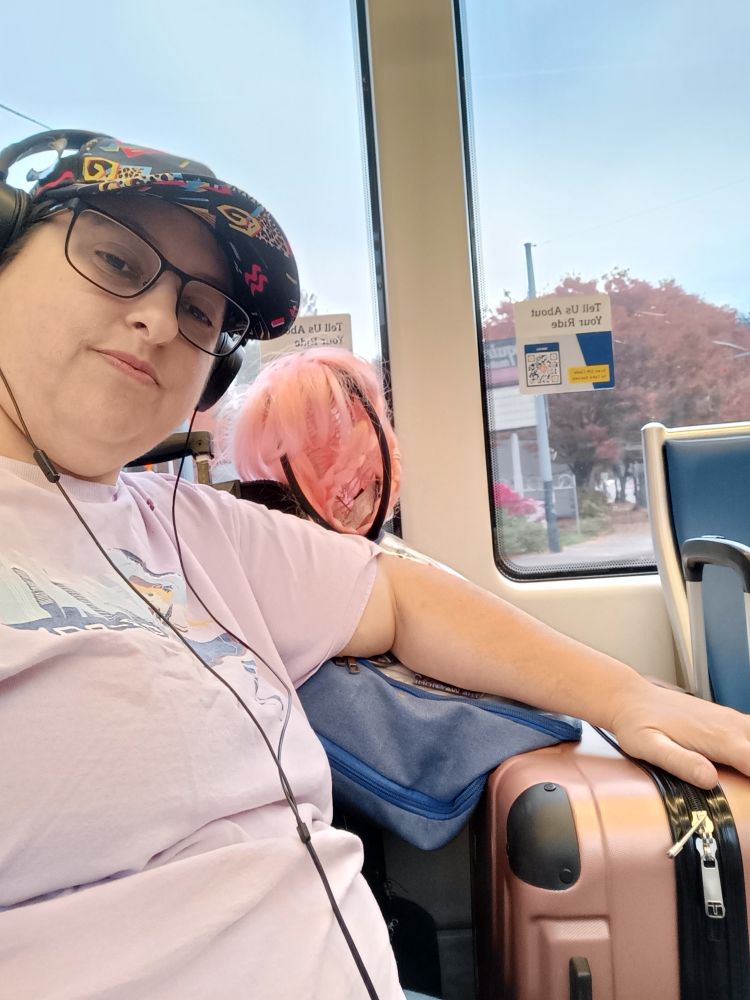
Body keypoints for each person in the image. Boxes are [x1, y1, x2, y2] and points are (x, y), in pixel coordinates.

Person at [0, 131, 748, 1000]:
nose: (162, 321)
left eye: (200, 310)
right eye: (116, 260)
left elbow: (399, 593)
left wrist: (627, 697)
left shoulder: (192, 525)